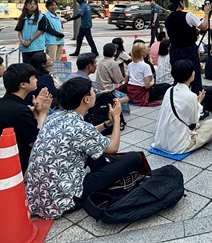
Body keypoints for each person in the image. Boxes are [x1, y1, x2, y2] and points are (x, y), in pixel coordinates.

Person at [25, 77, 141, 219]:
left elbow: (85, 135)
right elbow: (113, 148)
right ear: (86, 99)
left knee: (94, 151)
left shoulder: (54, 117)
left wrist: (107, 124)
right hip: (65, 198)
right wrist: (116, 119)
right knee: (134, 157)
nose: (95, 94)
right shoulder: (80, 127)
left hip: (39, 196)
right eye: (93, 91)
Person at [0, 63, 52, 175]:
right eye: (33, 78)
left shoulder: (3, 103)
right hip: (8, 170)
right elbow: (36, 142)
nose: (36, 80)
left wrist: (36, 110)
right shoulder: (18, 111)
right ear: (23, 84)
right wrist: (42, 113)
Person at [152, 60, 212, 154]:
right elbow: (193, 123)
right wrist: (198, 103)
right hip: (177, 145)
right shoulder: (191, 96)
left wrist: (196, 102)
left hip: (161, 141)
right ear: (191, 74)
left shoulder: (169, 90)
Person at [164, 0, 211, 95]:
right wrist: (206, 13)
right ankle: (198, 106)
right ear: (181, 3)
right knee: (195, 79)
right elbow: (204, 27)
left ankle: (178, 102)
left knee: (178, 78)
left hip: (174, 51)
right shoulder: (188, 15)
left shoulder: (167, 19)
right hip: (188, 50)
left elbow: (171, 34)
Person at [15, 0, 47, 64]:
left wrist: (30, 40)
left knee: (37, 66)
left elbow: (40, 31)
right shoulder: (23, 18)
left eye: (34, 4)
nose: (32, 5)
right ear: (26, 6)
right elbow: (19, 31)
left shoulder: (41, 17)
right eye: (30, 4)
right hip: (25, 47)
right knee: (27, 67)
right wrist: (22, 41)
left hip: (37, 47)